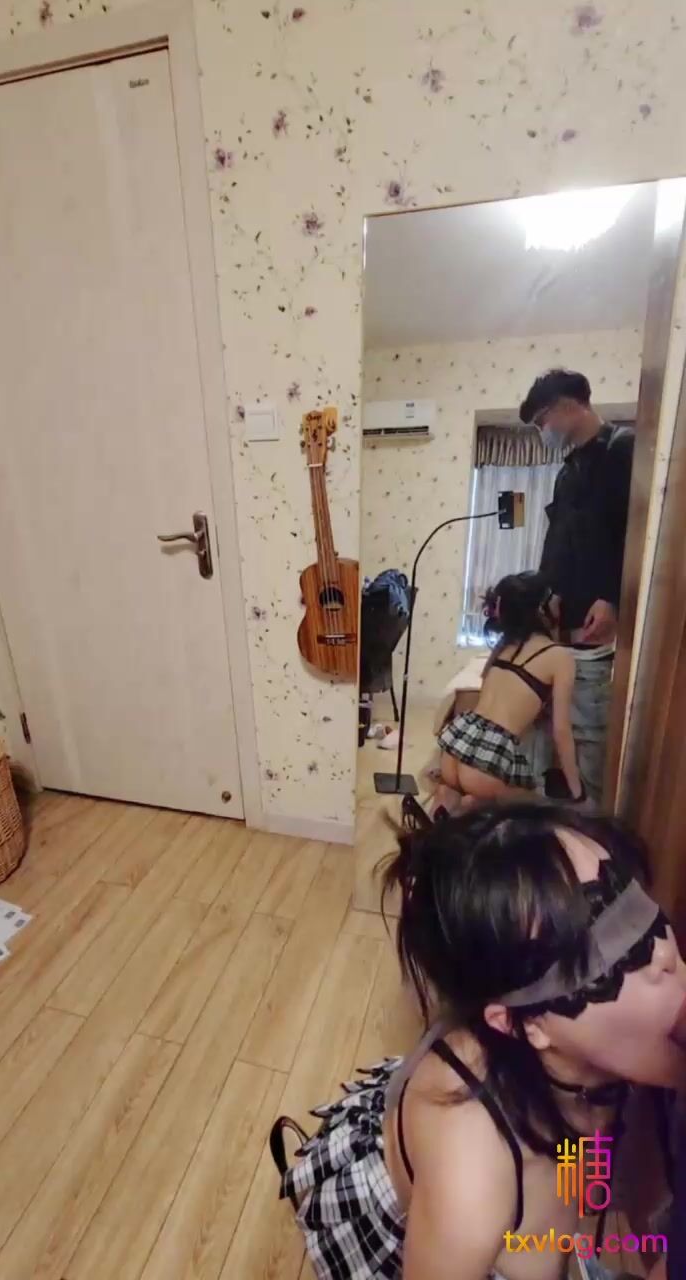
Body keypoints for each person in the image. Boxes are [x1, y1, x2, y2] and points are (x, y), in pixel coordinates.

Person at [271, 805, 686, 1280]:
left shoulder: (593, 1057)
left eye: (640, 911)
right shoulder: (470, 1175)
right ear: (523, 1023)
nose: (665, 954)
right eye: (609, 960)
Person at [519, 369, 635, 803]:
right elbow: (559, 541)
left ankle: (588, 824)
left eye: (542, 420)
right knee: (553, 724)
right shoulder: (568, 471)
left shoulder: (622, 450)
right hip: (564, 616)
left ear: (568, 406)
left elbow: (630, 532)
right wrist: (548, 593)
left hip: (599, 618)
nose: (543, 432)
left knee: (587, 729)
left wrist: (612, 597)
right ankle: (554, 816)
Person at [438, 570, 581, 803]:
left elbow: (486, 683)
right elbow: (561, 731)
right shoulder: (560, 657)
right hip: (487, 761)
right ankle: (474, 803)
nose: (559, 601)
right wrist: (578, 792)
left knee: (467, 797)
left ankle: (453, 799)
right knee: (535, 806)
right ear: (541, 608)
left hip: (458, 743)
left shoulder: (505, 643)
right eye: (553, 596)